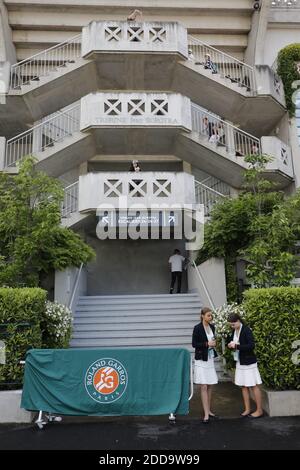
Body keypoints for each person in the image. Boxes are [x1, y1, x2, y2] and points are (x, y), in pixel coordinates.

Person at [227, 313, 263, 418]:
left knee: (253, 385)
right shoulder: (234, 330)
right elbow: (234, 343)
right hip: (240, 361)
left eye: (233, 324)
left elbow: (251, 346)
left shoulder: (247, 330)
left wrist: (237, 346)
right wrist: (230, 345)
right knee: (243, 386)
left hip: (249, 362)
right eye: (231, 325)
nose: (232, 326)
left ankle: (259, 410)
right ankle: (247, 409)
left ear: (238, 321)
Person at [192, 307, 218, 423]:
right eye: (208, 315)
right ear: (202, 315)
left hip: (210, 359)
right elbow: (194, 344)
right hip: (201, 360)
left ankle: (209, 410)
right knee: (203, 386)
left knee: (210, 385)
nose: (210, 317)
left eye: (211, 315)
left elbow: (214, 340)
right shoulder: (197, 328)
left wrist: (214, 344)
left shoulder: (212, 327)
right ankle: (206, 414)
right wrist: (207, 344)